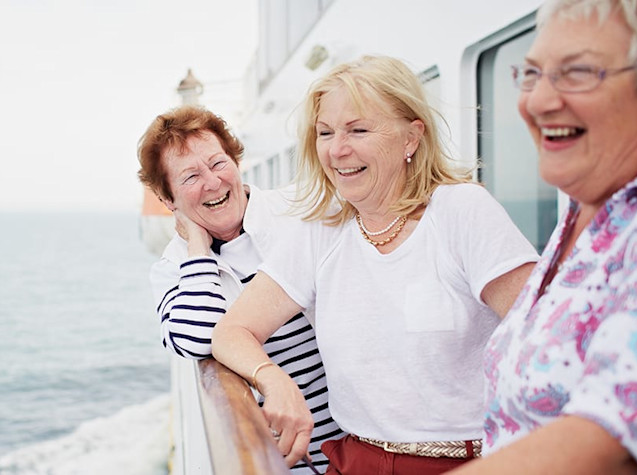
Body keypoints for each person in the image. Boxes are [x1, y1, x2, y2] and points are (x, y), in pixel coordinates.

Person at [212, 55, 539, 474]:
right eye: (325, 133)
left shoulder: (460, 210)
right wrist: (274, 382)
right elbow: (231, 332)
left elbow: (544, 340)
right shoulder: (322, 230)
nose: (337, 150)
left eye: (358, 130)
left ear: (411, 138)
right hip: (356, 462)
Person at [448, 0, 637, 474]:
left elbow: (608, 439)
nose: (538, 101)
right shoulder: (592, 201)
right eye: (533, 73)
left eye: (578, 72)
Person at [136, 105, 344, 473]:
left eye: (218, 164)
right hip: (290, 460)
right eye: (190, 177)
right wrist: (198, 250)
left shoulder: (300, 211)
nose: (212, 182)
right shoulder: (173, 268)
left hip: (360, 437)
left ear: (236, 163)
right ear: (168, 200)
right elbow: (197, 339)